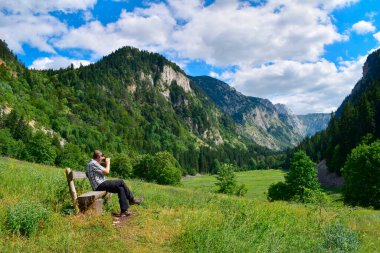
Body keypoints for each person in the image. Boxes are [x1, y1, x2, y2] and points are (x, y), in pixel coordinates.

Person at [87, 150, 142, 217]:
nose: (103, 158)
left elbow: (102, 172)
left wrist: (102, 162)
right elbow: (107, 171)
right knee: (121, 182)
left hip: (100, 184)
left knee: (120, 188)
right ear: (99, 157)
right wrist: (108, 162)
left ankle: (124, 211)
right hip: (99, 185)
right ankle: (132, 199)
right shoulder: (93, 163)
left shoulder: (94, 163)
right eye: (102, 157)